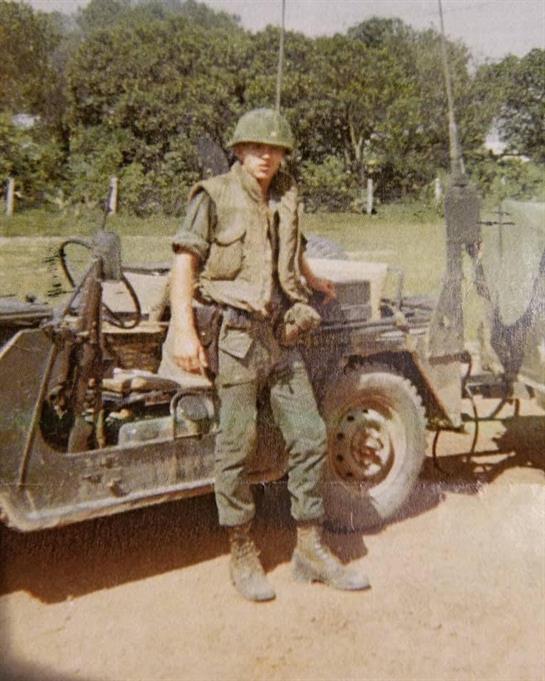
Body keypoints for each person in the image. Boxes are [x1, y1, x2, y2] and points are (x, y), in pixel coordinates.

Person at [160, 108, 370, 601]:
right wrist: (183, 330)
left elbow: (285, 248)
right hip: (234, 338)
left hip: (282, 335)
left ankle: (310, 549)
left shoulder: (285, 194)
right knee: (236, 443)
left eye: (274, 149)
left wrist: (310, 277)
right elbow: (184, 262)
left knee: (310, 434)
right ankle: (241, 550)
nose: (265, 156)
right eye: (256, 147)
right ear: (238, 150)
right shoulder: (212, 196)